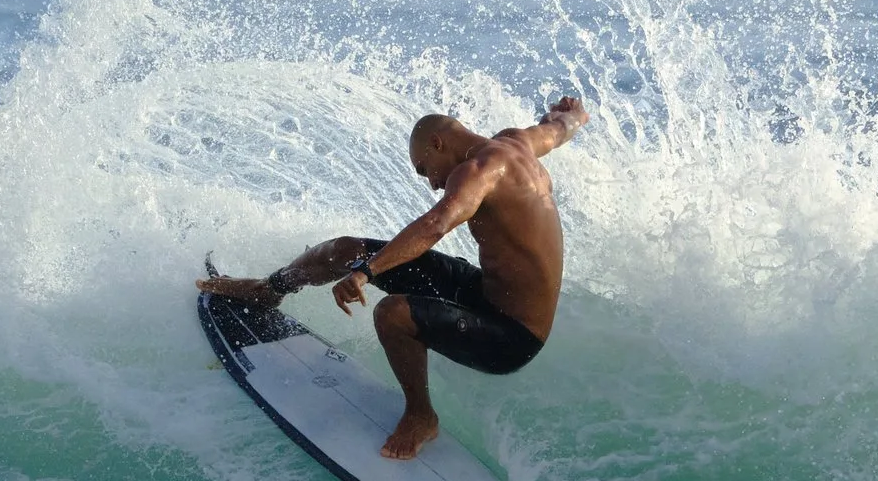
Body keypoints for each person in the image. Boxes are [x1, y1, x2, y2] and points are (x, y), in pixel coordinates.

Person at [199, 95, 592, 460]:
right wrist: (571, 115)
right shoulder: (515, 143)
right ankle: (269, 290)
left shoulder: (477, 173)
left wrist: (368, 273)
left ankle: (422, 415)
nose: (432, 182)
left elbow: (436, 224)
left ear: (437, 143)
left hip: (512, 335)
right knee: (347, 250)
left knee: (392, 314)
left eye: (424, 170)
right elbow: (558, 130)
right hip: (483, 292)